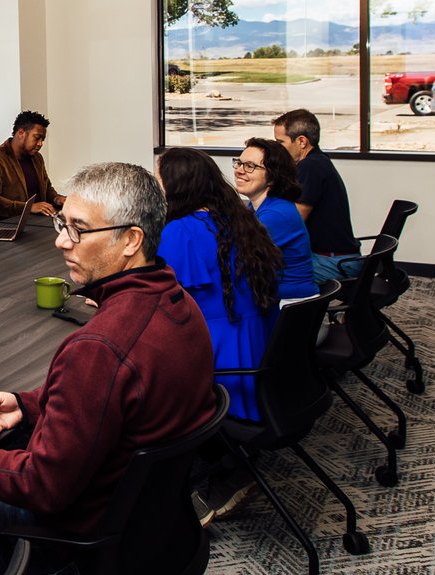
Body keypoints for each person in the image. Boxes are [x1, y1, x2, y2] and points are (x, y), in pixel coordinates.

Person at [0, 162, 218, 575]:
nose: (61, 240)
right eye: (62, 223)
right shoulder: (178, 303)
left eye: (78, 229)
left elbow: (41, 486)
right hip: (148, 532)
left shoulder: (98, 349)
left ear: (131, 239)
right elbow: (114, 394)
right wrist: (29, 404)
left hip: (73, 553)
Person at [154, 149, 285, 422]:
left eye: (158, 180)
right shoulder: (238, 218)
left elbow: (157, 299)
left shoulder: (180, 231)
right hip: (259, 346)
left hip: (217, 359)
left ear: (176, 185)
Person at [274, 108, 361, 284]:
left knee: (263, 276)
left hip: (334, 262)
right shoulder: (318, 161)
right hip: (337, 257)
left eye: (280, 143)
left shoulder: (311, 167)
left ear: (301, 141)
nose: (277, 149)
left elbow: (294, 221)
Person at [232, 137, 315, 300]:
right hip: (272, 297)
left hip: (289, 304)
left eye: (250, 166)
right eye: (239, 163)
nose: (239, 170)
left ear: (272, 176)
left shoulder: (276, 215)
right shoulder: (259, 206)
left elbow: (235, 258)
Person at [0, 110, 65, 223]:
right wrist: (28, 207)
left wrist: (57, 199)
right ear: (21, 133)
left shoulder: (37, 158)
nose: (40, 143)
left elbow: (47, 190)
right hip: (4, 227)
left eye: (42, 140)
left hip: (36, 223)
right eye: (37, 138)